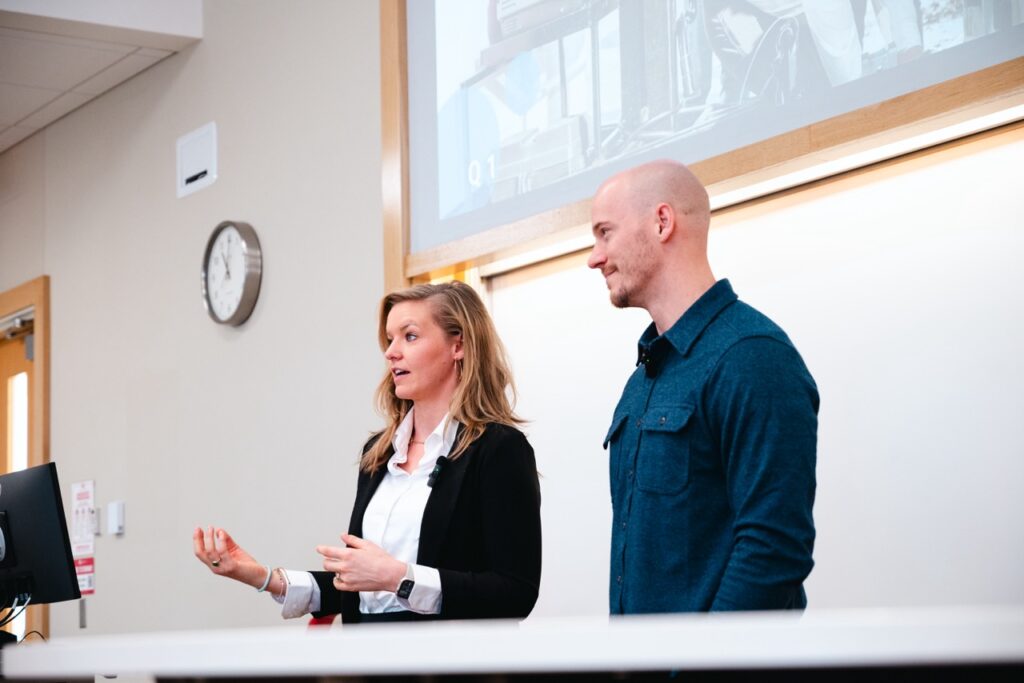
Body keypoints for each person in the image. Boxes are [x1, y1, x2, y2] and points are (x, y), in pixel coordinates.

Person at [193, 282, 541, 622]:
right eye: (390, 339)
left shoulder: (499, 449)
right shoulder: (378, 454)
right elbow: (361, 590)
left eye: (410, 336)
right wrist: (261, 576)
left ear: (458, 345)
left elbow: (515, 593)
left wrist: (398, 577)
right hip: (371, 661)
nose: (391, 351)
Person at [588, 159, 818, 614]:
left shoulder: (753, 356)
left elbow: (774, 549)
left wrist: (698, 673)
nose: (594, 257)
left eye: (604, 233)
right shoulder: (644, 378)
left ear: (661, 222)